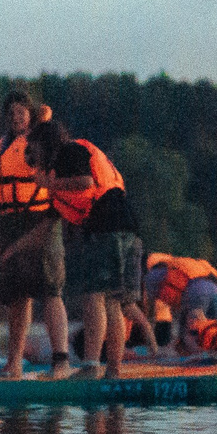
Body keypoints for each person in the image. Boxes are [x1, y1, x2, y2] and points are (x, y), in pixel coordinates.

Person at [30, 118, 142, 376]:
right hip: (128, 229)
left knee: (94, 296)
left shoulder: (69, 151)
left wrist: (48, 185)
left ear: (46, 145)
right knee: (113, 301)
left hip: (107, 228)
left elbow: (86, 183)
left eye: (35, 150)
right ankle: (113, 371)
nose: (34, 158)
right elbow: (51, 222)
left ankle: (91, 365)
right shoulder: (75, 154)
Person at [0, 89, 69, 377]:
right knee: (17, 294)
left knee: (49, 289)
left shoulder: (38, 139)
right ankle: (14, 362)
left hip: (39, 217)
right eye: (11, 112)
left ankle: (61, 361)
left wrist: (42, 121)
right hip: (10, 220)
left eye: (21, 111)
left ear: (30, 114)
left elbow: (50, 141)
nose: (15, 116)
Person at [143, 252, 217, 353]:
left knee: (193, 332)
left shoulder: (151, 277)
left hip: (195, 292)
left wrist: (150, 337)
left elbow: (150, 309)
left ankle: (196, 354)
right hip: (215, 290)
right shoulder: (180, 266)